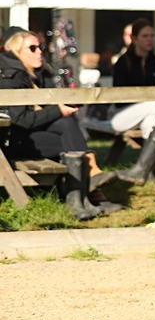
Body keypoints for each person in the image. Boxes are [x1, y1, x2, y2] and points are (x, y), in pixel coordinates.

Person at [0, 31, 123, 219]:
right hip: (15, 143)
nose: (38, 52)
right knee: (67, 129)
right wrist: (58, 110)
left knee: (67, 126)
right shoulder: (10, 77)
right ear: (17, 51)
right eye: (32, 48)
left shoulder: (36, 74)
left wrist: (65, 106)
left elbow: (47, 109)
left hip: (30, 137)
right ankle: (87, 192)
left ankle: (83, 196)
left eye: (40, 47)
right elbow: (21, 121)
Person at [110, 19, 155, 186]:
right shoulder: (122, 62)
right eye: (145, 36)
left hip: (147, 115)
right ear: (135, 38)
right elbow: (118, 98)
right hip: (122, 115)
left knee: (151, 121)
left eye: (152, 36)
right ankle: (145, 167)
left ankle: (145, 169)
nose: (150, 39)